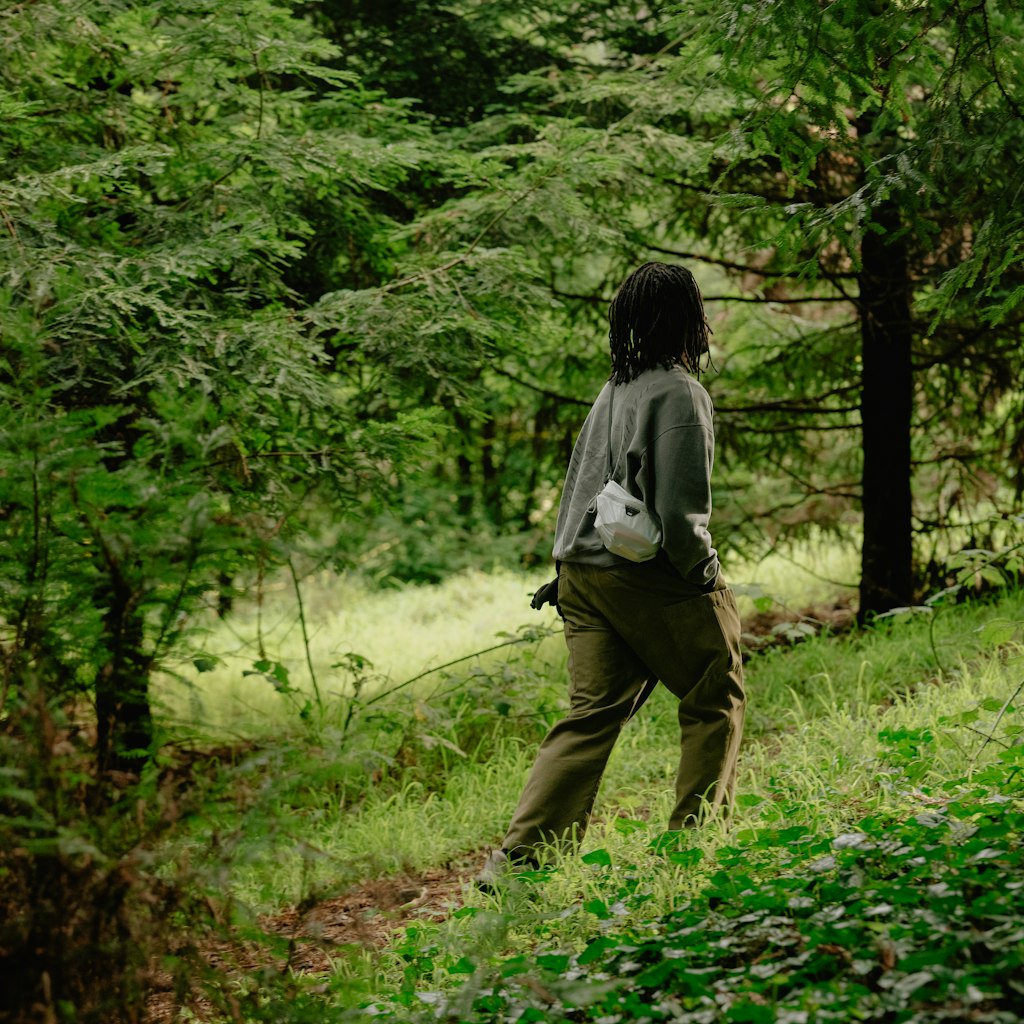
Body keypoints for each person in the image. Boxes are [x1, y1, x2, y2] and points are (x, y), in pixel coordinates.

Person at [477, 261, 746, 886]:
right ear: (688, 318)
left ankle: (517, 866)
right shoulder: (680, 394)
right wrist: (707, 578)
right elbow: (680, 515)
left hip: (580, 573)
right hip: (645, 577)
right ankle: (693, 850)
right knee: (715, 694)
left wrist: (565, 571)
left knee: (590, 716)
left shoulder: (614, 388)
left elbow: (581, 486)